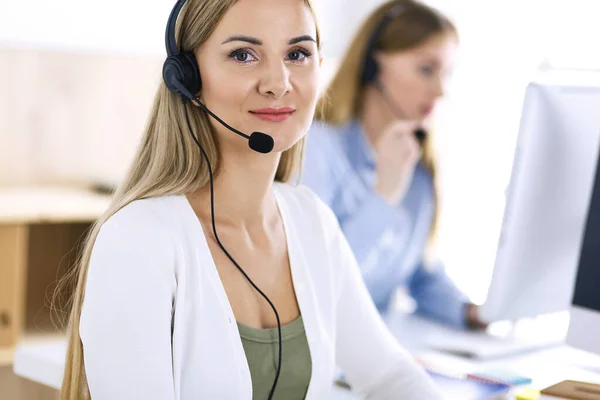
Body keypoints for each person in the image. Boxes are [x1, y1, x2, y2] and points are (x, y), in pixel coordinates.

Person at [57, 0, 442, 399]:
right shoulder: (139, 240)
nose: (278, 82)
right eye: (243, 55)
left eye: (297, 54)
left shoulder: (311, 221)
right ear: (186, 78)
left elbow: (390, 376)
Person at [302, 0, 487, 329]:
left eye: (446, 73)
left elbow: (422, 276)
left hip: (378, 351)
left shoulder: (417, 167)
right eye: (426, 69)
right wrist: (384, 194)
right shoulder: (316, 148)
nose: (441, 90)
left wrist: (470, 313)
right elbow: (320, 281)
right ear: (373, 65)